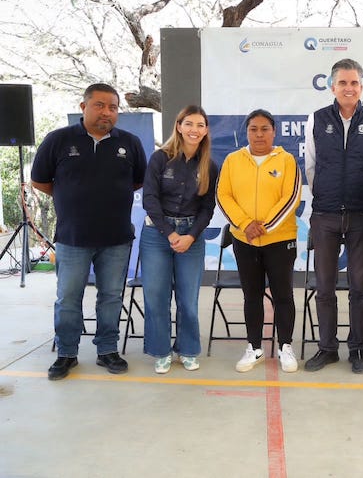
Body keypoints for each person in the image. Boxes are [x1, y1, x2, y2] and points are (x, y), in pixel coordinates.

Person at [31, 83, 147, 381]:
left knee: (110, 297)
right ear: (84, 107)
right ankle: (66, 353)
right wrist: (70, 197)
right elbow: (41, 181)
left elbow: (137, 182)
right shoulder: (58, 140)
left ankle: (107, 350)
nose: (106, 112)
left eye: (113, 107)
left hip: (117, 237)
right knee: (68, 298)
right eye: (99, 105)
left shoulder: (130, 143)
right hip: (73, 237)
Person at [303, 58, 363, 374]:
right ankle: (327, 348)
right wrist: (325, 196)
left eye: (354, 83)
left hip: (360, 215)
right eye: (343, 83)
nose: (349, 88)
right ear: (332, 86)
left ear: (362, 87)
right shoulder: (315, 120)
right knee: (324, 286)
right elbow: (310, 167)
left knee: (359, 286)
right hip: (324, 214)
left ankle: (358, 349)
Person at [217, 109, 302, 373]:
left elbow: (291, 198)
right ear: (247, 132)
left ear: (274, 132)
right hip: (244, 240)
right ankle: (254, 348)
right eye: (253, 129)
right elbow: (223, 195)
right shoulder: (233, 160)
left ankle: (285, 346)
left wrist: (264, 226)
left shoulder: (286, 161)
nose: (259, 134)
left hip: (280, 240)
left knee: (283, 295)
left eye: (265, 128)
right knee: (251, 295)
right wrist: (245, 225)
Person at [141, 105, 218, 374]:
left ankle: (186, 349)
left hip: (191, 237)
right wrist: (171, 233)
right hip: (156, 235)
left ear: (206, 130)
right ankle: (161, 351)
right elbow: (149, 199)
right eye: (189, 124)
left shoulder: (209, 165)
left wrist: (190, 236)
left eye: (200, 125)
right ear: (178, 126)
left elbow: (208, 208)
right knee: (156, 296)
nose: (194, 130)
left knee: (188, 298)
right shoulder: (160, 158)